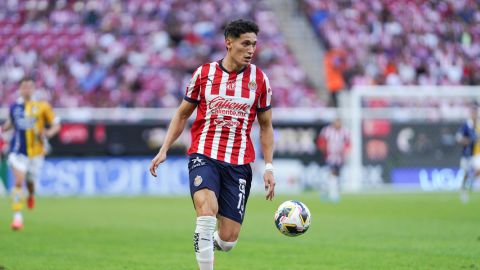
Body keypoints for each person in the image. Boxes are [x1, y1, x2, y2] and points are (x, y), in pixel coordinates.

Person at [149, 19, 275, 270]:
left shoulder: (260, 80)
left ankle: (205, 241)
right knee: (206, 211)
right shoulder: (204, 74)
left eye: (254, 44)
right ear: (229, 43)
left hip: (239, 162)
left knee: (228, 240)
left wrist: (269, 166)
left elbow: (266, 125)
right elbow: (183, 114)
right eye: (245, 43)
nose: (251, 50)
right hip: (203, 154)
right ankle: (205, 250)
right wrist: (164, 149)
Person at [1, 77, 61, 230]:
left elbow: (56, 125)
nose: (27, 89)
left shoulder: (42, 106)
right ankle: (17, 218)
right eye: (24, 87)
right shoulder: (14, 106)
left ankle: (31, 195)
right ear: (20, 89)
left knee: (30, 183)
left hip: (36, 153)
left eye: (29, 87)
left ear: (34, 89)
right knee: (18, 181)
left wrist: (49, 132)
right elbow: (9, 124)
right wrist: (3, 128)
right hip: (17, 150)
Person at [317, 117, 349, 202]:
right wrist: (324, 150)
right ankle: (333, 194)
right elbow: (321, 141)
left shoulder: (344, 132)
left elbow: (348, 143)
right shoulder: (327, 131)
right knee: (332, 173)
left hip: (339, 157)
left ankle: (326, 191)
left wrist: (344, 151)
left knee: (335, 175)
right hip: (330, 156)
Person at [456, 103, 479, 203]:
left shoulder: (478, 124)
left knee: (478, 169)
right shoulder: (466, 125)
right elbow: (459, 138)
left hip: (476, 153)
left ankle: (472, 182)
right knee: (465, 173)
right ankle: (463, 190)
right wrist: (468, 140)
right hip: (466, 154)